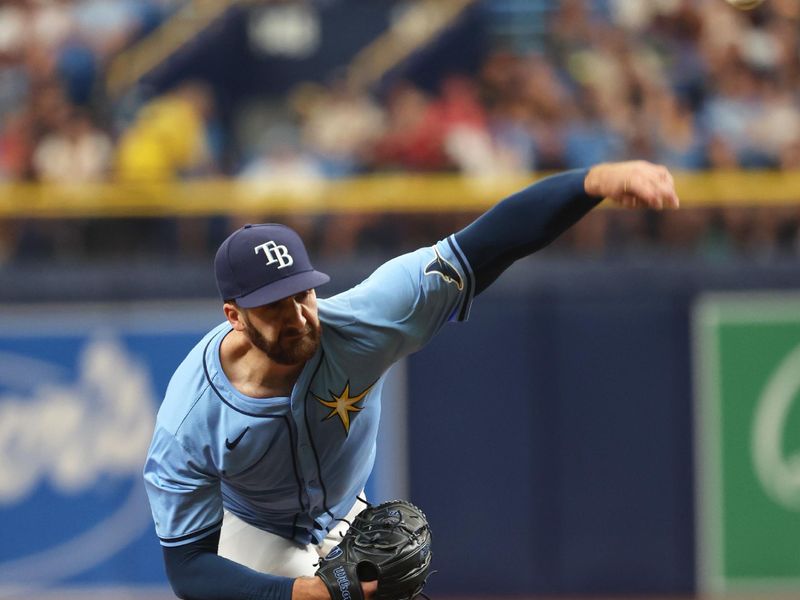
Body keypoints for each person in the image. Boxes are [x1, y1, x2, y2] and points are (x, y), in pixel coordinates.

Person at [143, 161, 679, 600]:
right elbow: (189, 568)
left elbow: (487, 245)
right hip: (253, 531)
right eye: (275, 308)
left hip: (341, 519)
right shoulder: (191, 419)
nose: (301, 317)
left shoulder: (361, 321)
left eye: (302, 294)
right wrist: (304, 594)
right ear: (234, 315)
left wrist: (593, 183)